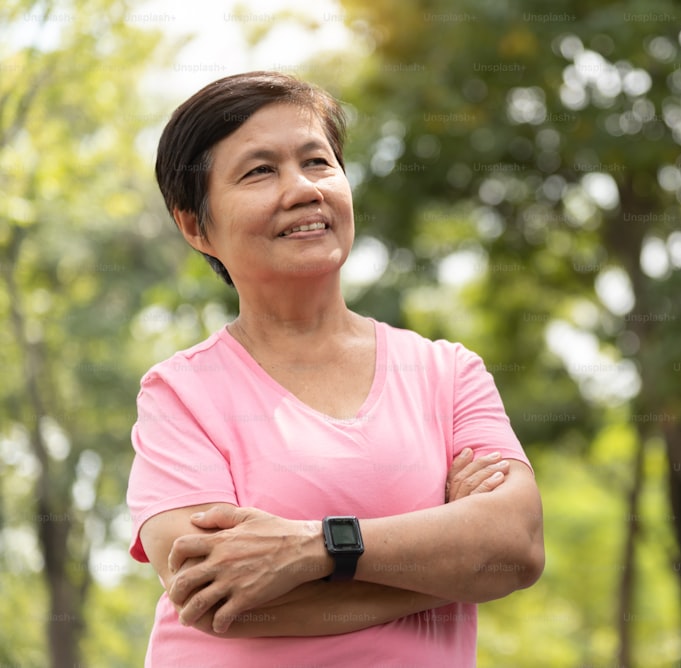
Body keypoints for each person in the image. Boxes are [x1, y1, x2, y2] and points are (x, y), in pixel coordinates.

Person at [126, 71, 544, 667]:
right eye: (259, 171)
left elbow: (515, 547)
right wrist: (444, 564)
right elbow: (215, 599)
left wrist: (312, 549)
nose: (302, 189)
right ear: (195, 225)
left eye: (317, 162)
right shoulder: (181, 395)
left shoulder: (447, 373)